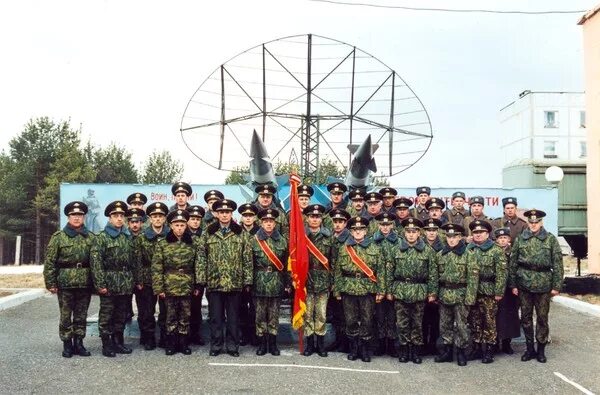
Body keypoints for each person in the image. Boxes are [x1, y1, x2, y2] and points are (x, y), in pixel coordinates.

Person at [196, 199, 253, 357]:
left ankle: (233, 346)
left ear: (231, 214)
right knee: (216, 318)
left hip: (235, 283)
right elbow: (201, 257)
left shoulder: (241, 232)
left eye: (227, 212)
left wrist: (247, 281)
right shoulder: (208, 232)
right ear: (217, 214)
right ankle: (216, 345)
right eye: (221, 212)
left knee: (233, 318)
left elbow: (247, 258)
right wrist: (202, 280)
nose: (224, 215)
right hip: (214, 282)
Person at [509, 209, 563, 363]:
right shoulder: (520, 239)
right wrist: (513, 284)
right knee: (525, 318)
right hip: (524, 284)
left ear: (541, 222)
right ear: (528, 223)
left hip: (544, 284)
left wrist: (556, 286)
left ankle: (541, 349)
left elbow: (558, 264)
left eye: (536, 222)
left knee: (542, 318)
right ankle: (529, 349)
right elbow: (513, 263)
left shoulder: (550, 239)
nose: (533, 225)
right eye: (531, 222)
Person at [43, 201, 94, 358]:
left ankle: (79, 343)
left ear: (84, 217)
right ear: (68, 217)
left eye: (79, 215)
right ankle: (67, 344)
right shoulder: (59, 237)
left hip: (85, 282)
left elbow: (95, 262)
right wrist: (50, 282)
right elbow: (50, 261)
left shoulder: (91, 237)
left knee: (81, 315)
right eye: (73, 215)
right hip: (65, 282)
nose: (77, 218)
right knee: (66, 315)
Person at [91, 201, 140, 357]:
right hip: (109, 282)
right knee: (106, 315)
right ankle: (106, 345)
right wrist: (100, 284)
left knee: (121, 314)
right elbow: (96, 263)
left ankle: (118, 343)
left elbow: (134, 262)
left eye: (121, 216)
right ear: (109, 218)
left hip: (125, 282)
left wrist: (134, 280)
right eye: (115, 216)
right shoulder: (102, 238)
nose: (119, 219)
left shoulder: (127, 237)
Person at [333, 216, 385, 363]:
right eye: (355, 229)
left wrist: (381, 291)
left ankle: (365, 349)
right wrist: (337, 291)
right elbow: (337, 271)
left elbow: (381, 271)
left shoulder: (375, 248)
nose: (358, 232)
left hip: (367, 289)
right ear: (350, 231)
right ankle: (354, 349)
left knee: (367, 320)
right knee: (350, 320)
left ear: (366, 231)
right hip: (348, 288)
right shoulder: (344, 248)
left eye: (361, 229)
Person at [386, 218, 438, 364]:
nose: (411, 235)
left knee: (417, 323)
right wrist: (389, 291)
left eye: (414, 232)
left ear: (419, 233)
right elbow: (389, 272)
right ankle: (403, 350)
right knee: (402, 323)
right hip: (400, 290)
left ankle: (415, 351)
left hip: (419, 291)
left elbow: (433, 274)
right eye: (408, 232)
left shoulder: (428, 251)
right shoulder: (395, 249)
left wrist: (432, 293)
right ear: (404, 233)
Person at [152, 209, 198, 355]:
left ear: (186, 226)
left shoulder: (192, 243)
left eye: (182, 225)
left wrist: (197, 285)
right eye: (176, 225)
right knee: (170, 316)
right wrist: (159, 288)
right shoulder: (162, 243)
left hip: (187, 284)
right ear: (171, 226)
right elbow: (157, 267)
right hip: (169, 285)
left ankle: (183, 343)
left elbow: (198, 265)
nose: (179, 228)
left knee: (185, 315)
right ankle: (170, 343)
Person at [434, 224, 479, 366]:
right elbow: (435, 277)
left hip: (461, 294)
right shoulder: (440, 254)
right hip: (444, 294)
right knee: (444, 325)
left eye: (454, 237)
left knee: (461, 325)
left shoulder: (469, 255)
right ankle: (447, 352)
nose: (451, 240)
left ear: (460, 237)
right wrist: (435, 294)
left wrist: (470, 298)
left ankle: (461, 352)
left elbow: (473, 279)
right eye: (448, 237)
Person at [466, 220, 507, 364]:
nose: (478, 235)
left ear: (487, 234)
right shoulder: (468, 249)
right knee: (474, 320)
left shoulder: (495, 250)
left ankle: (489, 349)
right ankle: (476, 347)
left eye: (481, 232)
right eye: (475, 233)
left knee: (489, 320)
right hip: (472, 291)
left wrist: (499, 291)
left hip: (489, 290)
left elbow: (502, 274)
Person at [250, 208, 289, 356]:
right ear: (261, 222)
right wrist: (249, 282)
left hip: (276, 282)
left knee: (274, 315)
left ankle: (273, 344)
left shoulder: (282, 240)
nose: (268, 224)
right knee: (260, 315)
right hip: (259, 281)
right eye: (265, 221)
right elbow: (249, 263)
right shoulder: (254, 240)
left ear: (275, 223)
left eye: (271, 221)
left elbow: (286, 264)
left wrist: (287, 283)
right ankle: (262, 344)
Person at [134, 202, 169, 350]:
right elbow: (138, 261)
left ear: (165, 218)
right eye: (154, 216)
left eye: (160, 216)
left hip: (165, 278)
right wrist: (139, 280)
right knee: (147, 311)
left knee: (165, 310)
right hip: (147, 279)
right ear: (150, 218)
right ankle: (148, 337)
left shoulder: (170, 236)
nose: (157, 219)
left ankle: (164, 337)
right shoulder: (142, 237)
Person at [302, 204, 334, 358]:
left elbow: (334, 261)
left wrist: (333, 282)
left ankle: (320, 345)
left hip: (323, 281)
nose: (314, 219)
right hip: (306, 280)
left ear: (321, 219)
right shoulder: (301, 236)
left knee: (321, 314)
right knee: (308, 314)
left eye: (317, 217)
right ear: (307, 219)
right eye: (312, 217)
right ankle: (309, 345)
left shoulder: (329, 237)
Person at [372, 212, 400, 357]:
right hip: (376, 284)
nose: (385, 227)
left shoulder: (399, 242)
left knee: (392, 315)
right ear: (378, 225)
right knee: (379, 315)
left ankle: (392, 344)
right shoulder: (372, 241)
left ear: (392, 225)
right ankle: (381, 343)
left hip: (394, 284)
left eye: (387, 224)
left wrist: (393, 288)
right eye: (382, 224)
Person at [326, 208, 352, 353]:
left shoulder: (349, 240)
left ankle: (346, 342)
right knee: (336, 313)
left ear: (345, 223)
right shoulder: (330, 238)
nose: (337, 224)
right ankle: (338, 339)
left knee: (346, 314)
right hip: (330, 280)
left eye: (340, 222)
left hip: (344, 281)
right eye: (335, 221)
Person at [494, 227, 521, 354]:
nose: (503, 240)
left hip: (510, 289)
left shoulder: (514, 252)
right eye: (500, 238)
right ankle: (494, 342)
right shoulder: (493, 251)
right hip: (496, 288)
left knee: (509, 316)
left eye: (505, 238)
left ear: (509, 239)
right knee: (495, 316)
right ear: (496, 240)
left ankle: (506, 343)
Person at [237, 203, 260, 346]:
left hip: (257, 274)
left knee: (255, 307)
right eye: (245, 216)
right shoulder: (237, 232)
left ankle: (254, 335)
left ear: (254, 217)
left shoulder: (260, 232)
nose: (248, 218)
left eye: (250, 216)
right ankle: (243, 335)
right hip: (241, 275)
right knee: (241, 307)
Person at [421, 218, 444, 356]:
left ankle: (433, 344)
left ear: (437, 231)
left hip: (438, 287)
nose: (431, 233)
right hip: (422, 286)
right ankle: (423, 344)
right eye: (428, 230)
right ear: (424, 232)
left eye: (434, 230)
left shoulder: (443, 246)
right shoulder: (420, 245)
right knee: (423, 319)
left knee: (436, 319)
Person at [187, 205, 206, 346]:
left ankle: (196, 334)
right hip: (184, 278)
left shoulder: (204, 235)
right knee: (183, 307)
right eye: (192, 219)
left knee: (196, 308)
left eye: (197, 219)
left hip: (198, 277)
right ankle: (184, 335)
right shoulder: (182, 234)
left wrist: (200, 281)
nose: (195, 222)